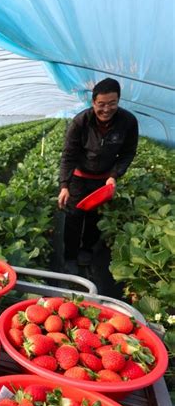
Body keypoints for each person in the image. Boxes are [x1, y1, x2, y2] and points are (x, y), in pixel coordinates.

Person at [58, 78, 138, 273]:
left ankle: (87, 250)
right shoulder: (81, 122)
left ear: (118, 101)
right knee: (74, 216)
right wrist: (64, 185)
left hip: (103, 179)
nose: (106, 109)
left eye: (112, 103)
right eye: (101, 104)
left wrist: (114, 175)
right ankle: (70, 256)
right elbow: (69, 154)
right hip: (79, 175)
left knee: (96, 216)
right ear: (93, 102)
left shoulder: (127, 121)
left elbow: (128, 152)